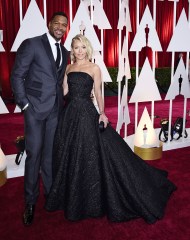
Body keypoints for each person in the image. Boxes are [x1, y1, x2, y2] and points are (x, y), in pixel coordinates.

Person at [45, 34, 176, 224]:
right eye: (75, 48)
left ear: (87, 48)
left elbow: (98, 92)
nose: (79, 51)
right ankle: (74, 193)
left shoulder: (94, 68)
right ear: (71, 50)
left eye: (82, 47)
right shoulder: (68, 68)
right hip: (70, 115)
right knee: (70, 152)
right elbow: (64, 92)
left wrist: (103, 113)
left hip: (87, 113)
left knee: (90, 151)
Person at [11, 11, 69, 226]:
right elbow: (17, 75)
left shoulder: (65, 51)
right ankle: (30, 201)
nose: (60, 27)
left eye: (64, 25)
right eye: (57, 23)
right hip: (34, 109)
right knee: (34, 155)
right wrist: (25, 104)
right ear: (49, 24)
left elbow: (60, 81)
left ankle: (50, 195)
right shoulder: (33, 44)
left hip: (55, 110)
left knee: (49, 156)